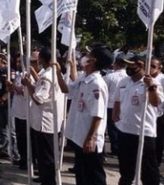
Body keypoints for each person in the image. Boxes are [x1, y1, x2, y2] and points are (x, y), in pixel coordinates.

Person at [64, 45, 113, 185]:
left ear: (93, 60)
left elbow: (98, 115)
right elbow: (69, 87)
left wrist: (90, 138)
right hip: (80, 136)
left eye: (88, 55)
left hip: (89, 138)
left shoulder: (96, 84)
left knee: (94, 176)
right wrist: (64, 68)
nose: (85, 57)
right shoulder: (85, 78)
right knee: (82, 174)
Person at [112, 55, 163, 185]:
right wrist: (115, 114)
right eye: (127, 65)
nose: (129, 68)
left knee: (148, 170)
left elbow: (156, 102)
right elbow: (117, 99)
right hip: (125, 130)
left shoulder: (153, 83)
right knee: (125, 168)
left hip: (144, 132)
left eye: (132, 65)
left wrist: (151, 87)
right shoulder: (124, 82)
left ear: (141, 66)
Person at [22, 47, 65, 185]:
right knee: (46, 158)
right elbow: (41, 93)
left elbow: (39, 99)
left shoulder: (47, 76)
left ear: (42, 59)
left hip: (44, 123)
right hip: (49, 121)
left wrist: (28, 85)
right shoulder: (54, 74)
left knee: (46, 159)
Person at [0, 53, 20, 161]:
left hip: (8, 103)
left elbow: (11, 89)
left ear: (2, 60)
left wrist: (3, 99)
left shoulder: (9, 72)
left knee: (12, 130)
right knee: (2, 128)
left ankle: (16, 154)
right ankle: (5, 150)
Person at [103, 54, 128, 156]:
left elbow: (105, 91)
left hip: (110, 105)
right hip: (124, 105)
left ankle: (115, 148)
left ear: (116, 64)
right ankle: (120, 148)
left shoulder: (109, 77)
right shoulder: (128, 77)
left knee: (112, 128)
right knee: (121, 127)